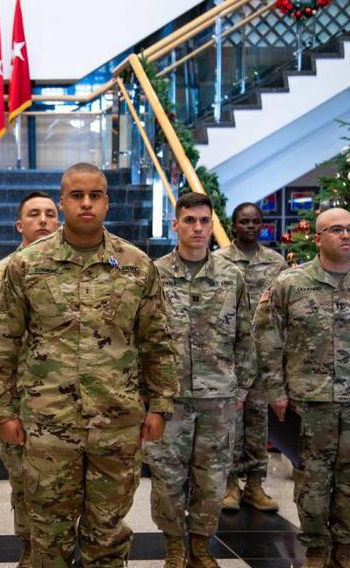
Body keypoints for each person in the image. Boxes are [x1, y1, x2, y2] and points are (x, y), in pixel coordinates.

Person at [0, 163, 178, 567]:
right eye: (76, 196)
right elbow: (3, 342)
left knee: (107, 532)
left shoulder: (137, 265)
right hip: (48, 424)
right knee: (47, 534)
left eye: (95, 195)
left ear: (107, 201)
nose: (86, 203)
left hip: (117, 423)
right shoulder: (27, 266)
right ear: (62, 202)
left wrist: (160, 406)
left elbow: (156, 342)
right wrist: (2, 410)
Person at [254, 207, 350, 568]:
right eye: (337, 229)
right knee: (312, 481)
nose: (347, 235)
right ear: (318, 238)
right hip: (309, 402)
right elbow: (267, 336)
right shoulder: (290, 284)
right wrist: (275, 389)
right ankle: (317, 551)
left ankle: (344, 551)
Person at [147, 191, 255, 568]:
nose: (197, 228)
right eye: (189, 220)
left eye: (204, 221)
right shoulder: (153, 275)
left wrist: (238, 389)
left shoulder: (232, 277)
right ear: (175, 224)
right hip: (168, 401)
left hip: (218, 399)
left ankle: (201, 547)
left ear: (212, 225)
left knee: (211, 479)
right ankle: (174, 547)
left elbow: (246, 338)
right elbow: (140, 338)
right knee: (166, 478)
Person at [0, 191, 59, 567]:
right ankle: (28, 548)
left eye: (50, 214)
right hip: (19, 402)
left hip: (66, 401)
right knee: (25, 484)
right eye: (34, 215)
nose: (42, 220)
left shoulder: (74, 271)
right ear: (19, 225)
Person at [214, 202, 285, 512]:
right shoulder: (219, 262)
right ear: (234, 226)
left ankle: (255, 484)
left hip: (263, 356)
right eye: (244, 222)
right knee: (231, 422)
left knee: (258, 422)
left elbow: (283, 310)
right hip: (229, 355)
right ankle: (229, 484)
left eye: (256, 222)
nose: (251, 227)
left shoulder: (276, 263)